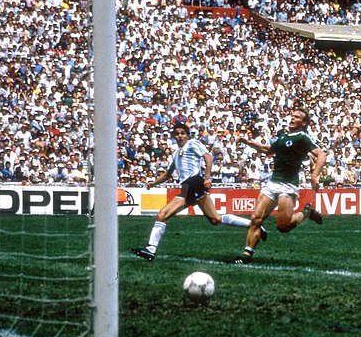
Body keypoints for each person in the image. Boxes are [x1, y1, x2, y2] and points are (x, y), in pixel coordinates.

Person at [132, 123, 266, 261]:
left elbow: (209, 157)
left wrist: (207, 177)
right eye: (177, 133)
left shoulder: (192, 143)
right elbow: (167, 175)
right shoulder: (176, 153)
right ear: (173, 136)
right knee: (214, 219)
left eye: (183, 133)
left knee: (164, 215)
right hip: (186, 186)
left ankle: (150, 249)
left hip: (194, 182)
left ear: (187, 135)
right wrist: (152, 183)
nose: (180, 136)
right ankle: (150, 250)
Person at [234, 108, 327, 264]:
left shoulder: (302, 137)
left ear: (303, 123)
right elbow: (268, 150)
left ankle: (307, 212)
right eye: (292, 115)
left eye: (297, 117)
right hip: (272, 183)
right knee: (256, 219)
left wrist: (314, 175)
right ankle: (247, 255)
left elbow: (321, 155)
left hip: (288, 186)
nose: (292, 118)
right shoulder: (283, 136)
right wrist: (248, 142)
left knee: (283, 226)